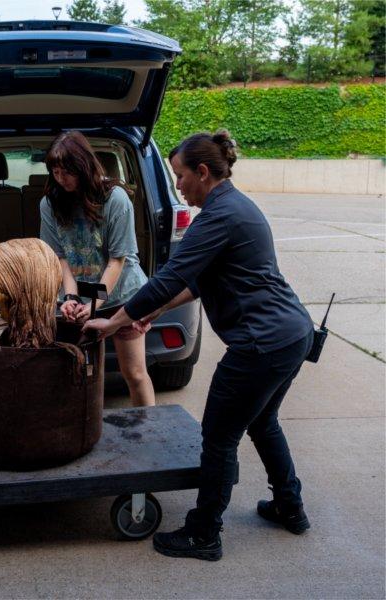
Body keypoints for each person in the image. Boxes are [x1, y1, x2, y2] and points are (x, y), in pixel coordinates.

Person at [83, 130, 314, 560]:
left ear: (203, 173)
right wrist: (148, 313)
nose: (178, 187)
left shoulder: (218, 216)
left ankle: (204, 533)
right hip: (291, 333)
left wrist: (116, 320)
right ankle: (290, 506)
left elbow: (171, 277)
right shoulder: (232, 206)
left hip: (260, 344)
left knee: (219, 438)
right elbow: (196, 283)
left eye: (180, 177)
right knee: (263, 423)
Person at [39, 131, 155, 407]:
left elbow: (118, 260)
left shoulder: (115, 198)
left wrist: (93, 303)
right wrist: (69, 298)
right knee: (80, 373)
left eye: (67, 171)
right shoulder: (49, 203)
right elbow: (60, 258)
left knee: (135, 373)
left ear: (83, 166)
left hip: (122, 296)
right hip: (81, 298)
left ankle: (151, 429)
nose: (60, 178)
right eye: (55, 171)